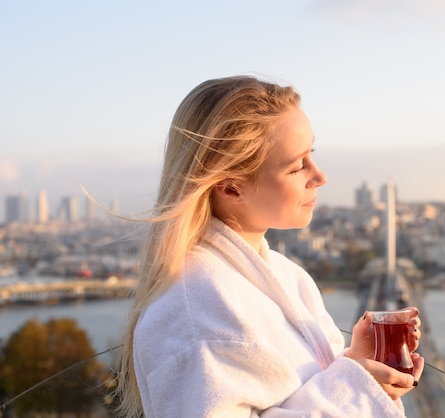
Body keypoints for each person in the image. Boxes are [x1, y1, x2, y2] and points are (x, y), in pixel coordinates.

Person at [114, 75, 424, 417]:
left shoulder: (287, 276)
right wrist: (355, 388)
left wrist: (357, 364)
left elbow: (303, 392)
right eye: (297, 166)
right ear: (231, 188)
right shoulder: (194, 311)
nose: (320, 176)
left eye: (312, 155)